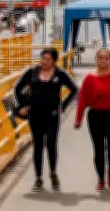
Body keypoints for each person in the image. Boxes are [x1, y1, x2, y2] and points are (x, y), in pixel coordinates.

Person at [14, 48, 78, 192]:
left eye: (47, 59)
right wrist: (22, 105)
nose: (44, 61)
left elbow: (74, 89)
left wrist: (64, 105)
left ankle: (53, 173)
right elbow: (18, 88)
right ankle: (38, 178)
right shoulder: (32, 72)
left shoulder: (60, 74)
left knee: (51, 143)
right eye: (42, 58)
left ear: (54, 61)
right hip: (35, 115)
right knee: (37, 146)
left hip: (53, 115)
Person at [74, 48, 110, 191]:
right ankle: (100, 178)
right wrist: (78, 119)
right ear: (96, 59)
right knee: (99, 150)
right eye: (100, 57)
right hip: (96, 117)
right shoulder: (89, 78)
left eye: (106, 58)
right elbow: (82, 99)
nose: (103, 60)